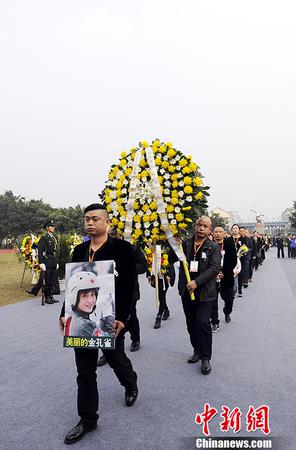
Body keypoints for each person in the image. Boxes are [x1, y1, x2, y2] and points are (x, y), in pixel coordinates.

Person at [59, 204, 138, 445]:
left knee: (115, 359)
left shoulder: (123, 250)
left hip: (110, 320)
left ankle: (130, 383)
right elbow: (72, 287)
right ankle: (88, 419)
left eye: (95, 219)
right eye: (87, 219)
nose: (90, 223)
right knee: (85, 372)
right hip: (81, 322)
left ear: (107, 222)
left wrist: (122, 319)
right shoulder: (79, 250)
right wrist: (64, 314)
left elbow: (130, 289)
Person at [169, 216, 221, 375]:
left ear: (209, 230)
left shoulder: (213, 247)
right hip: (187, 291)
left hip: (205, 293)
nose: (201, 228)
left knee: (203, 323)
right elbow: (172, 259)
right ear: (195, 225)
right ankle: (197, 350)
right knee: (191, 324)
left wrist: (196, 282)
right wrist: (173, 246)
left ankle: (206, 357)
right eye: (199, 225)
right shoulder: (185, 244)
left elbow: (214, 269)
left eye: (205, 226)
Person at [65, 271, 112, 338]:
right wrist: (108, 315)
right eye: (84, 295)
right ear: (74, 298)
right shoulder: (85, 325)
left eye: (92, 294)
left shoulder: (75, 317)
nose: (90, 300)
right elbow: (108, 341)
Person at [210, 226, 237, 332]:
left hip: (227, 277)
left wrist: (223, 273)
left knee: (229, 299)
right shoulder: (209, 244)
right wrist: (214, 273)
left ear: (224, 233)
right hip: (212, 277)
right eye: (216, 232)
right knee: (213, 301)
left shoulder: (229, 244)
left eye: (220, 232)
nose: (218, 234)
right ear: (213, 233)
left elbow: (233, 260)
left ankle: (227, 311)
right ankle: (215, 322)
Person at [37, 219, 59, 304]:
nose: (53, 228)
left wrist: (56, 262)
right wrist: (41, 262)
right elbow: (40, 250)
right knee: (47, 280)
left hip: (53, 261)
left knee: (52, 280)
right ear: (47, 228)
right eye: (51, 226)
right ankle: (47, 297)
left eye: (53, 226)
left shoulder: (54, 238)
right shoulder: (44, 238)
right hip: (47, 260)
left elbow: (56, 251)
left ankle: (51, 296)